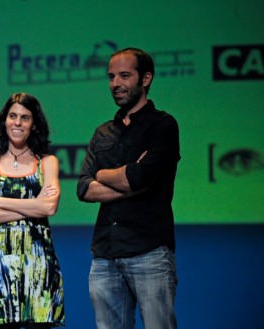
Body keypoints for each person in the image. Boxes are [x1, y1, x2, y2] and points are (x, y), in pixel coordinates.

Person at [76, 48, 180, 329]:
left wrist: (117, 177)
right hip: (105, 254)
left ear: (145, 79)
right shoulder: (103, 132)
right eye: (111, 77)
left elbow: (140, 178)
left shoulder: (163, 126)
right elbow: (84, 188)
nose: (115, 84)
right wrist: (124, 177)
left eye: (124, 75)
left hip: (148, 251)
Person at [0, 93, 65, 329]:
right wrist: (32, 208)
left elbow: (49, 207)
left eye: (25, 117)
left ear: (33, 124)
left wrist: (1, 201)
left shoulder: (47, 162)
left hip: (39, 264)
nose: (18, 122)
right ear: (4, 120)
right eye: (13, 116)